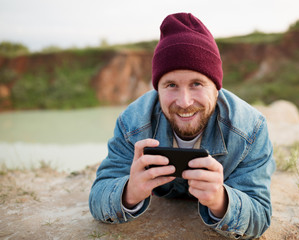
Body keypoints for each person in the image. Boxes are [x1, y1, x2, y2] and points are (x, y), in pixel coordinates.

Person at [89, 12, 275, 239]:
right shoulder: (132, 123)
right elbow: (98, 196)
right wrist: (129, 192)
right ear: (158, 89)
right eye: (171, 85)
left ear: (216, 88)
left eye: (197, 84)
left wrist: (221, 200)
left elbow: (261, 214)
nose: (184, 102)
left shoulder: (251, 130)